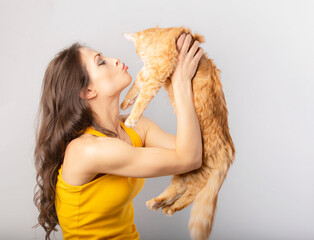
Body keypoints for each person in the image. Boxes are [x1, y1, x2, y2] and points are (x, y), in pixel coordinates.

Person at [33, 33, 203, 240]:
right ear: (88, 90)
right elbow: (189, 158)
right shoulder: (86, 150)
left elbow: (197, 151)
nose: (115, 60)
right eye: (101, 62)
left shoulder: (136, 127)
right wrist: (181, 83)